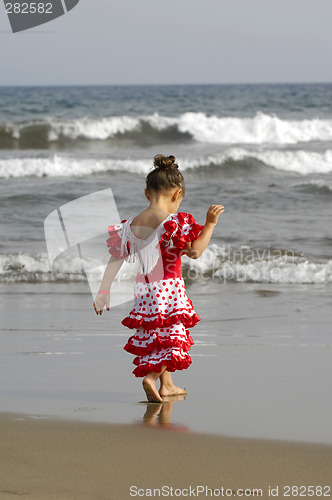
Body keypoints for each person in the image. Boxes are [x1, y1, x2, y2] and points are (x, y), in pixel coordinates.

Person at [93, 154, 224, 403]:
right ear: (177, 195)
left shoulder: (130, 225)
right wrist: (210, 224)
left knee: (158, 336)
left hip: (144, 291)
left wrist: (104, 291)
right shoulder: (175, 222)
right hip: (169, 289)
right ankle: (151, 378)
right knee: (174, 338)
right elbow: (195, 251)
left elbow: (116, 258)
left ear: (146, 193)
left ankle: (168, 385)